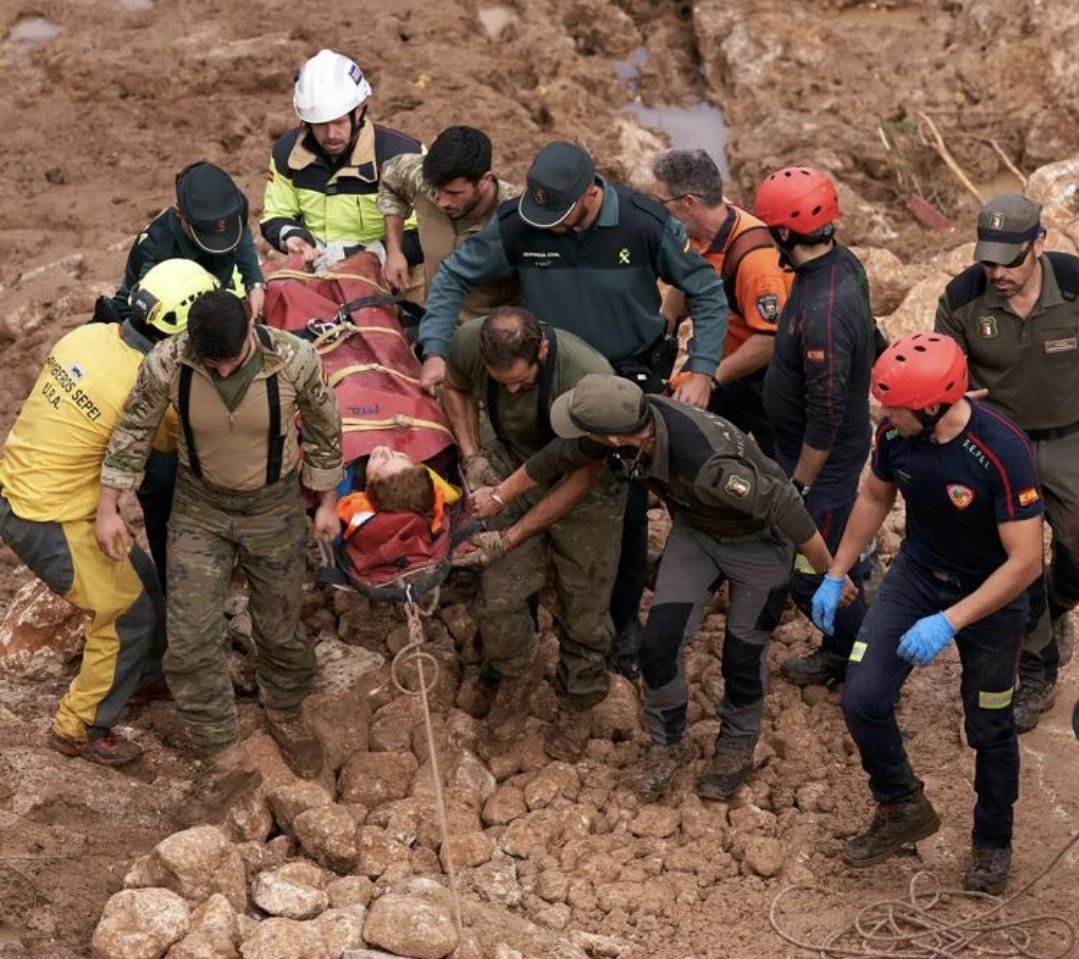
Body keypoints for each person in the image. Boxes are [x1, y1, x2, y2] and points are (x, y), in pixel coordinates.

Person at [418, 140, 731, 672]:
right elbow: (452, 276)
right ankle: (532, 601)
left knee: (626, 503)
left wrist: (702, 369)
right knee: (538, 470)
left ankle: (623, 619)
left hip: (626, 376)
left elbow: (705, 291)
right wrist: (434, 348)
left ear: (591, 194)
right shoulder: (523, 223)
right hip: (548, 371)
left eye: (560, 216)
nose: (551, 227)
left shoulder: (642, 222)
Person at [500, 373, 842, 799]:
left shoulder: (708, 464)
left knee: (742, 654)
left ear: (615, 437)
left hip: (757, 543)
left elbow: (786, 506)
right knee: (657, 645)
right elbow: (561, 456)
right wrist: (499, 496)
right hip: (697, 532)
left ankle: (736, 746)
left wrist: (830, 573)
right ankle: (669, 742)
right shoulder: (633, 421)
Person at [813, 332, 1043, 894]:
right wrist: (837, 570)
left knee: (990, 725)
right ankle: (901, 807)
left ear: (935, 406)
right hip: (917, 575)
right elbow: (874, 496)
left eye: (894, 406)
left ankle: (992, 841)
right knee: (863, 698)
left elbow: (1027, 561)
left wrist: (950, 621)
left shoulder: (1002, 450)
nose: (884, 415)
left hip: (991, 596)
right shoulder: (896, 433)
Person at [96, 290, 344, 779]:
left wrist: (327, 504)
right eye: (216, 365)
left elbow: (324, 428)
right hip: (200, 508)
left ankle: (286, 709)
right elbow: (133, 430)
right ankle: (219, 749)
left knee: (278, 626)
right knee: (188, 639)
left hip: (273, 505)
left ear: (253, 326)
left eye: (234, 362)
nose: (225, 372)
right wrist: (110, 507)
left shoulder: (295, 359)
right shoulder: (168, 361)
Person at [0, 259, 219, 766]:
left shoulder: (86, 337)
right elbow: (180, 446)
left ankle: (144, 677)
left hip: (26, 487)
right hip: (50, 517)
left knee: (142, 579)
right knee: (124, 614)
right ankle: (80, 727)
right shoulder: (146, 388)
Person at [443, 307, 626, 763]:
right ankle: (515, 675)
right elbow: (454, 386)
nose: (510, 390)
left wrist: (511, 532)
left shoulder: (586, 377)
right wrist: (471, 456)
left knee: (584, 606)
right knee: (498, 597)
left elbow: (578, 479)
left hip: (587, 489)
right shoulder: (470, 340)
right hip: (509, 462)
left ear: (541, 348)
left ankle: (579, 699)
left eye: (521, 382)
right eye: (500, 382)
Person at [935, 193, 1079, 731]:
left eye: (1008, 260)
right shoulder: (962, 297)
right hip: (1002, 444)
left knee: (1075, 559)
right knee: (1012, 563)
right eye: (987, 259)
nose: (995, 272)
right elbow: (944, 374)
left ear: (1038, 244)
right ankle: (1038, 667)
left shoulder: (1073, 283)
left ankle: (1058, 601)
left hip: (1070, 438)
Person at [755, 166, 878, 688]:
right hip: (812, 452)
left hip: (820, 464)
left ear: (785, 233)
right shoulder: (841, 265)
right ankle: (849, 637)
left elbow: (825, 414)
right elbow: (871, 333)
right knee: (827, 549)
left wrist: (798, 484)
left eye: (769, 228)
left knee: (813, 572)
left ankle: (862, 659)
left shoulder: (824, 307)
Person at [651, 148, 793, 459]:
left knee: (782, 467)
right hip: (722, 355)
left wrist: (708, 379)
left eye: (662, 204)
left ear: (689, 203)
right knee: (689, 440)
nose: (658, 212)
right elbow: (689, 287)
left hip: (764, 374)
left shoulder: (755, 259)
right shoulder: (701, 232)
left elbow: (770, 338)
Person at [261, 49, 422, 271]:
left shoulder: (403, 155)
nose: (330, 135)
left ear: (360, 111)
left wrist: (366, 253)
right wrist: (292, 236)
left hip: (386, 274)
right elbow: (275, 215)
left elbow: (426, 233)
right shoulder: (286, 154)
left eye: (339, 122)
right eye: (320, 124)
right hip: (317, 270)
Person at [96, 162, 266, 324]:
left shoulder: (231, 205)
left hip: (211, 286)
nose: (220, 239)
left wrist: (255, 283)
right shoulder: (156, 251)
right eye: (206, 232)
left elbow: (241, 232)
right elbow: (146, 315)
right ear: (179, 213)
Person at [377, 125, 519, 314]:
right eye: (437, 190)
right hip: (432, 323)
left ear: (485, 180)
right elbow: (391, 176)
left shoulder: (516, 218)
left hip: (487, 336)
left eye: (454, 193)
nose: (442, 202)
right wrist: (395, 251)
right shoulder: (425, 182)